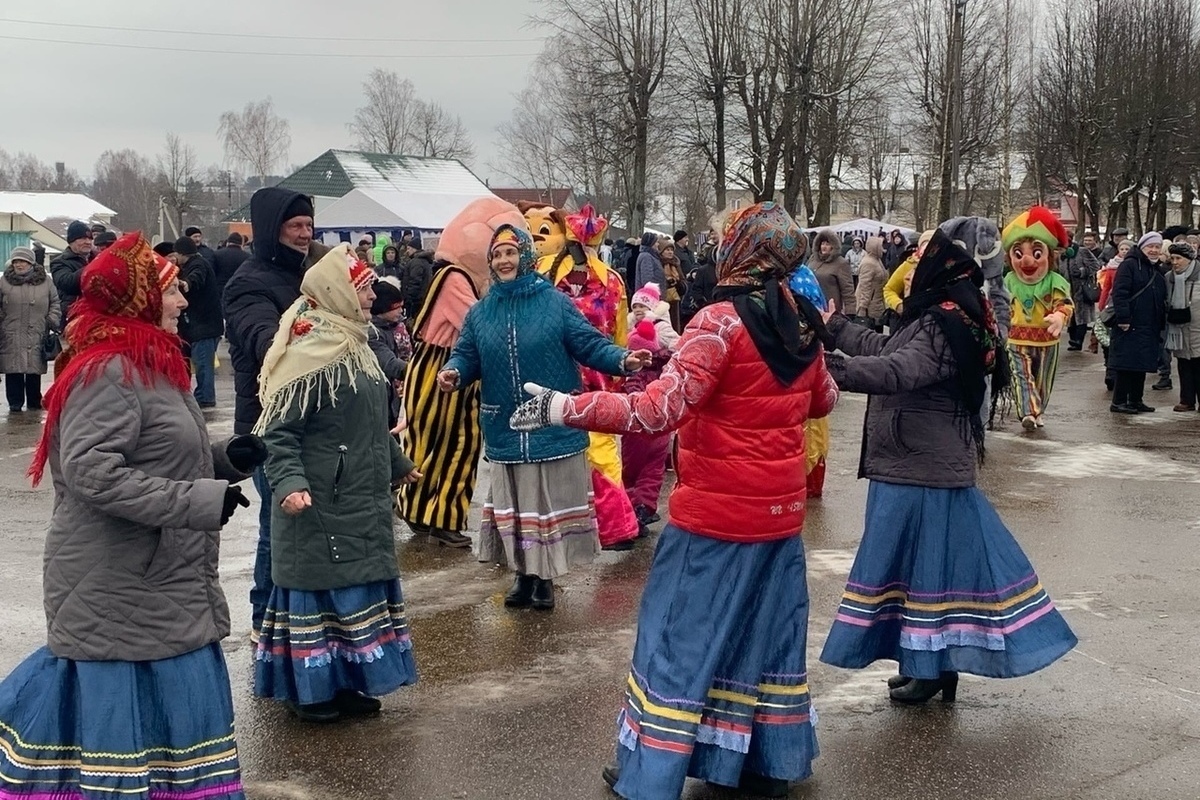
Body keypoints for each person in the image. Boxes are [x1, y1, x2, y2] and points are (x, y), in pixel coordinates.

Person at [511, 202, 837, 799]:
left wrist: (565, 407)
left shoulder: (718, 323)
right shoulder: (801, 321)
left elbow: (656, 410)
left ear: (740, 249)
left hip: (714, 518)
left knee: (677, 640)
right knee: (762, 640)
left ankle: (650, 772)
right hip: (779, 517)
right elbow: (824, 400)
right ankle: (763, 764)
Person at [3, 232, 261, 800]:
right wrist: (196, 502)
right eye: (172, 291)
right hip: (119, 583)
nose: (184, 301)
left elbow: (157, 455)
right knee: (123, 739)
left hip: (157, 581)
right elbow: (92, 472)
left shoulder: (147, 361)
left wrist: (226, 460)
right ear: (139, 300)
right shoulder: (109, 369)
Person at [818, 229, 1077, 703]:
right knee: (914, 573)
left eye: (918, 262)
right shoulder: (933, 315)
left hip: (924, 470)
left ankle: (933, 668)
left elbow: (896, 371)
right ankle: (925, 663)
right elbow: (885, 350)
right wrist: (832, 328)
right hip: (912, 464)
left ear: (940, 270)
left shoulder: (944, 322)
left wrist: (827, 370)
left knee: (927, 576)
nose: (910, 270)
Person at [439, 225, 648, 610]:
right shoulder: (480, 312)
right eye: (497, 254)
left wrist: (623, 359)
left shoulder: (554, 302)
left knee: (544, 504)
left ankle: (545, 578)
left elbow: (588, 343)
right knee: (518, 506)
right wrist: (454, 372)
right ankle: (522, 575)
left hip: (548, 419)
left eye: (510, 252)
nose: (503, 261)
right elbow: (467, 355)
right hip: (504, 423)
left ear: (525, 256)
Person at [253, 245, 421, 723]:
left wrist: (397, 463)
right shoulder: (309, 352)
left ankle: (346, 684)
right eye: (363, 288)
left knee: (353, 591)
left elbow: (367, 422)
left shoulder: (353, 342)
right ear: (338, 292)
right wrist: (288, 483)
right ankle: (309, 693)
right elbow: (278, 433)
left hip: (356, 496)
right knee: (321, 593)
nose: (371, 296)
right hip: (318, 501)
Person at [401, 198, 526, 547]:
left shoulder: (451, 275)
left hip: (436, 366)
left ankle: (420, 511)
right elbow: (480, 325)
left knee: (430, 443)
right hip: (447, 367)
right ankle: (442, 517)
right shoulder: (455, 278)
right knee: (458, 443)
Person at [223, 187, 320, 636]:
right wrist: (316, 338)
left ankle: (303, 613)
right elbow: (267, 343)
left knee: (307, 524)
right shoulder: (247, 284)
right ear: (270, 230)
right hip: (268, 424)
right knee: (277, 526)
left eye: (308, 225)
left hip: (311, 421)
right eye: (295, 226)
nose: (304, 234)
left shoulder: (311, 274)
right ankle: (265, 618)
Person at [535, 204, 640, 552]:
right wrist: (619, 373)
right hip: (596, 376)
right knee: (601, 452)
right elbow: (620, 335)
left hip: (555, 374)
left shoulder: (544, 273)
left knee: (553, 450)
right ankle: (615, 527)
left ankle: (552, 530)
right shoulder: (611, 280)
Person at [1001, 207, 1074, 430]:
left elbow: (1065, 304)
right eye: (1018, 254)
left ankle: (1038, 409)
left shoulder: (1055, 281)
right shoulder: (1008, 281)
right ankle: (1028, 412)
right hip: (1016, 339)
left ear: (1048, 255)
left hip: (1047, 340)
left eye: (1036, 253)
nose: (1027, 261)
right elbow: (998, 305)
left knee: (1042, 381)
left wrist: (1060, 317)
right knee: (1021, 375)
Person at [1109, 232, 1168, 413]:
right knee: (1126, 364)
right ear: (1142, 247)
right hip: (1130, 322)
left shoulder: (1155, 268)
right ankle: (1119, 401)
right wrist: (1123, 318)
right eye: (1150, 246)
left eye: (1157, 247)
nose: (1154, 250)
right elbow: (1120, 292)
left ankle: (1136, 400)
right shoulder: (1129, 265)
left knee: (1140, 364)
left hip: (1148, 324)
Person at [0, 246, 61, 411]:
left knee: (34, 369)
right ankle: (15, 404)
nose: (19, 265)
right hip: (11, 332)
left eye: (23, 261)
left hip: (37, 331)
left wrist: (51, 319)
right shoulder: (4, 282)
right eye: (16, 261)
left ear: (31, 263)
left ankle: (34, 402)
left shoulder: (45, 281)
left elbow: (55, 302)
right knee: (13, 368)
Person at [175, 235, 224, 409]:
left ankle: (205, 397)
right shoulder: (193, 264)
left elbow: (196, 278)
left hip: (204, 326)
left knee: (203, 364)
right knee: (200, 363)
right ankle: (200, 395)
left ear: (182, 253)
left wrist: (185, 284)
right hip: (200, 325)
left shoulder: (198, 265)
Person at [368, 277, 409, 431]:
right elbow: (390, 364)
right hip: (378, 402)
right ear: (383, 309)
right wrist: (419, 372)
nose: (401, 311)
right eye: (397, 307)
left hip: (389, 398)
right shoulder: (373, 334)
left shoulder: (388, 328)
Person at [1164, 241, 1200, 411]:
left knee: (1198, 364)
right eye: (1172, 258)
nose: (1175, 262)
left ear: (1189, 259)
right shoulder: (1169, 278)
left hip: (1197, 328)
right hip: (1178, 328)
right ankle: (1186, 400)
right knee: (1183, 363)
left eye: (1179, 258)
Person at [50, 220, 93, 321]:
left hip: (96, 314)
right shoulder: (60, 262)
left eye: (90, 238)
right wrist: (92, 268)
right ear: (71, 241)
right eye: (82, 238)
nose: (88, 242)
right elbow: (67, 283)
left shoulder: (95, 258)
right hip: (72, 316)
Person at [1065, 233, 1102, 350]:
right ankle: (1072, 339)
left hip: (1082, 289)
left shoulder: (1082, 251)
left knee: (1081, 316)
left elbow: (1096, 265)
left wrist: (1082, 272)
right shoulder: (1061, 253)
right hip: (1066, 289)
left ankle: (1078, 341)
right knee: (1070, 315)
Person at [810, 229, 855, 315]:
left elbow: (847, 290)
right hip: (811, 307)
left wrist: (850, 312)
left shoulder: (841, 263)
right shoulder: (813, 259)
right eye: (822, 244)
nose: (824, 247)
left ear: (833, 246)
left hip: (830, 309)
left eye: (827, 244)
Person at [853, 235, 887, 331]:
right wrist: (863, 307)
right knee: (872, 333)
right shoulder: (868, 263)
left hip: (877, 301)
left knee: (878, 331)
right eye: (880, 246)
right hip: (870, 305)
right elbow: (865, 286)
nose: (882, 249)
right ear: (875, 247)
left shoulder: (876, 260)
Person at [213, 232, 251, 313]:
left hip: (220, 290)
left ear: (228, 242)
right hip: (240, 290)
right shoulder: (248, 257)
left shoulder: (216, 254)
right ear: (241, 244)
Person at [402, 240, 435, 316]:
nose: (407, 251)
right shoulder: (425, 261)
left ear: (414, 249)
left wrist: (410, 298)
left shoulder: (416, 262)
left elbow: (415, 280)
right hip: (423, 297)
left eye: (409, 248)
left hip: (416, 301)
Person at [635, 232, 665, 297]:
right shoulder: (646, 257)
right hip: (649, 296)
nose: (658, 244)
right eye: (656, 242)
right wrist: (653, 295)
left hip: (653, 294)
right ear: (651, 243)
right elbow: (647, 280)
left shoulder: (651, 255)